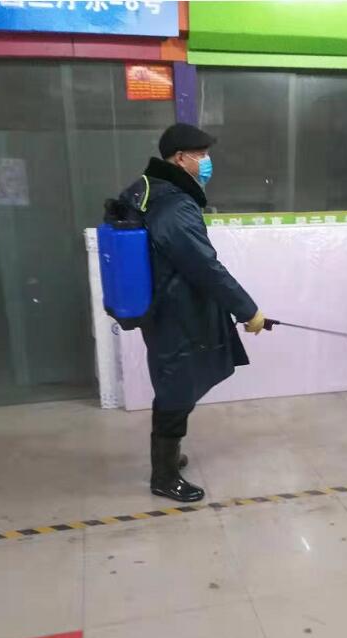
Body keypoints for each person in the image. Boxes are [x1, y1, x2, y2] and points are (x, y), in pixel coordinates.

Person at [119, 123, 266, 504]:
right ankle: (164, 476)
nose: (207, 161)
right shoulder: (173, 204)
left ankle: (168, 459)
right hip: (176, 312)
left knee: (175, 382)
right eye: (201, 155)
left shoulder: (147, 190)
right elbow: (204, 266)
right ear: (181, 158)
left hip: (163, 306)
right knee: (176, 387)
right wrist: (248, 310)